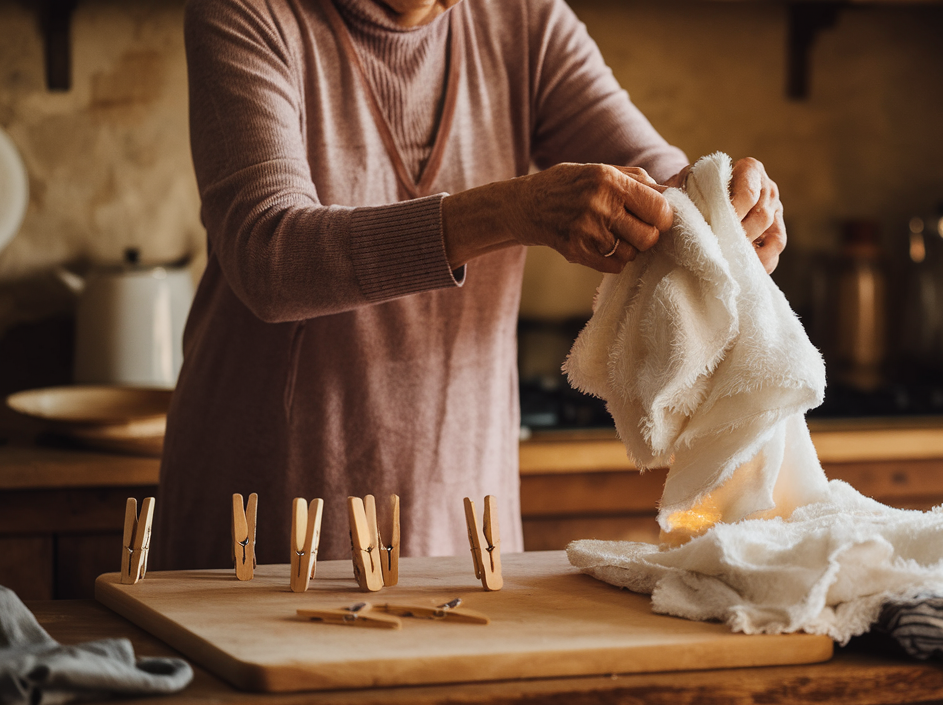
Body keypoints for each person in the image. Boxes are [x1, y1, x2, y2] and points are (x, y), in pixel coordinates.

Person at [157, 0, 788, 569]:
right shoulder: (246, 13)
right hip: (270, 508)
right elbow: (271, 257)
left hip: (460, 508)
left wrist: (720, 205)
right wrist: (511, 211)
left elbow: (658, 182)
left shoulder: (525, 21)